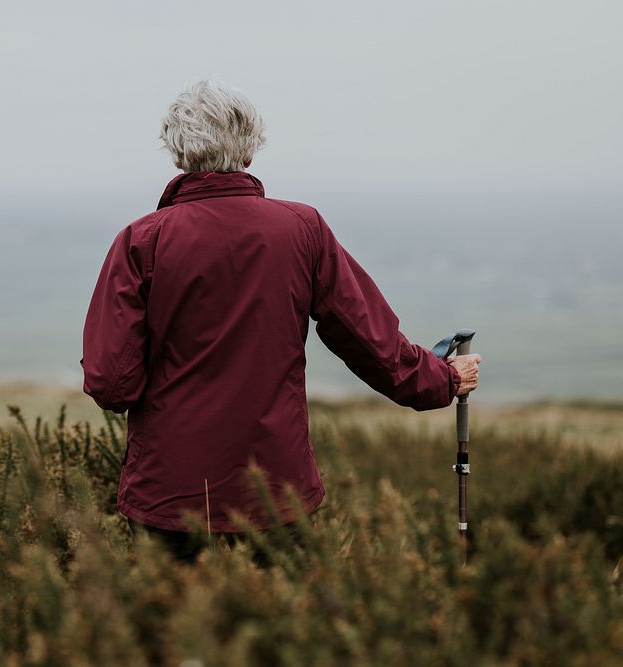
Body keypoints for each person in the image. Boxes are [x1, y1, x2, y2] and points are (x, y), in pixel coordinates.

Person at [79, 79, 482, 563]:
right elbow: (368, 340)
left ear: (178, 154)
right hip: (275, 490)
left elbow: (110, 383)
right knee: (283, 633)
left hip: (170, 493)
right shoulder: (302, 229)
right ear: (249, 151)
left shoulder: (141, 241)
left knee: (174, 633)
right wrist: (442, 377)